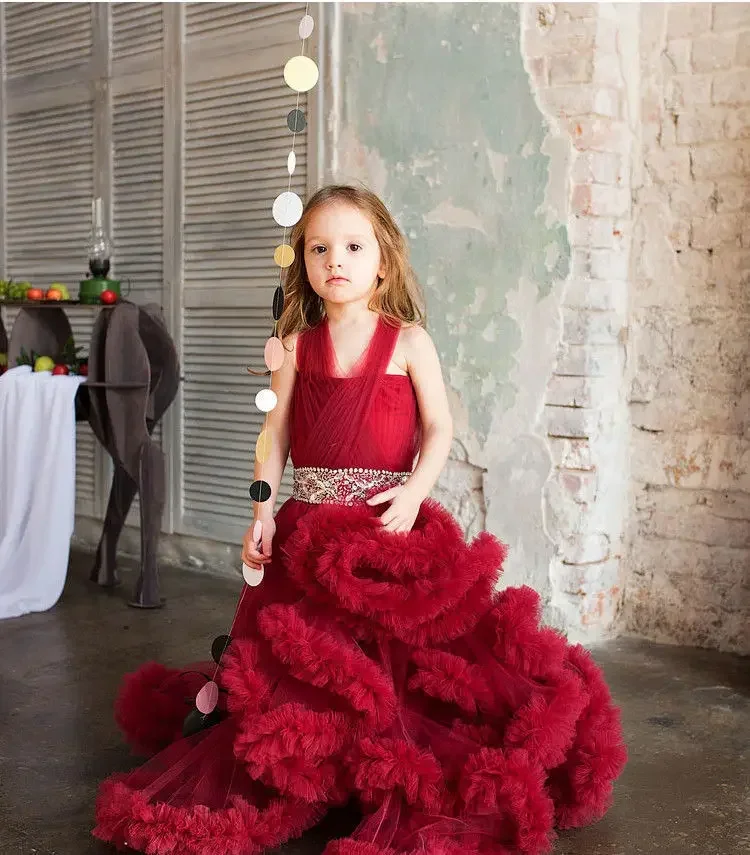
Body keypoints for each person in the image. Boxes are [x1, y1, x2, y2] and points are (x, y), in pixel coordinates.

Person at [93, 185, 627, 855]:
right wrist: (261, 510)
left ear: (382, 260)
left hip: (384, 527)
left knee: (394, 669)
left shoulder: (407, 340)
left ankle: (370, 763)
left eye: (352, 246)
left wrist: (413, 493)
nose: (334, 260)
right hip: (306, 529)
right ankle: (310, 760)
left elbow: (439, 428)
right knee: (301, 667)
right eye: (319, 248)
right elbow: (274, 434)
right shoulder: (295, 344)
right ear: (304, 262)